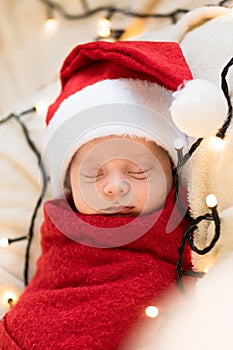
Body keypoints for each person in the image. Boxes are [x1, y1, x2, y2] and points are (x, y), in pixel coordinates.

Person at [0, 40, 193, 350]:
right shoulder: (60, 232)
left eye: (137, 171)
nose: (115, 187)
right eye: (94, 173)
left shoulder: (185, 227)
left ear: (171, 174)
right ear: (69, 188)